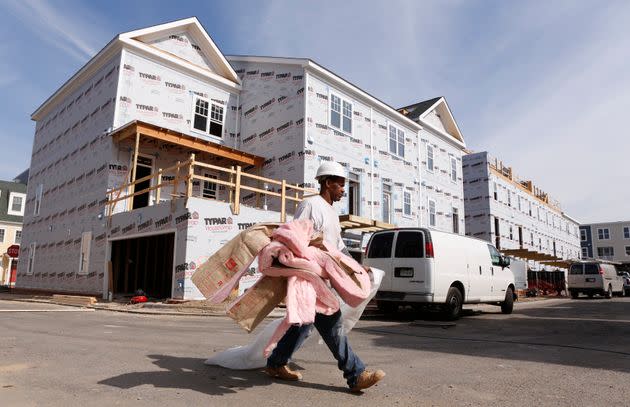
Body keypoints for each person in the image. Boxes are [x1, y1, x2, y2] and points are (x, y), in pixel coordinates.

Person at [264, 161, 385, 392]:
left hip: (324, 278)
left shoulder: (332, 212)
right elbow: (294, 238)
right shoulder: (310, 204)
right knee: (332, 324)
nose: (343, 190)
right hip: (309, 277)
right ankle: (356, 374)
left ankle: (276, 362)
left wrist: (357, 267)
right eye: (340, 185)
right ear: (328, 183)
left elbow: (338, 248)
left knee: (304, 324)